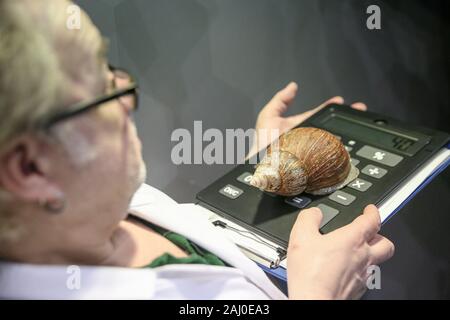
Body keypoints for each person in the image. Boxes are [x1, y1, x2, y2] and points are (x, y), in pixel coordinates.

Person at [0, 0, 394, 300]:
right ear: (31, 169)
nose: (127, 97)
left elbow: (225, 264)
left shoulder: (108, 203)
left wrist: (260, 176)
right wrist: (320, 293)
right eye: (104, 91)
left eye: (111, 69)